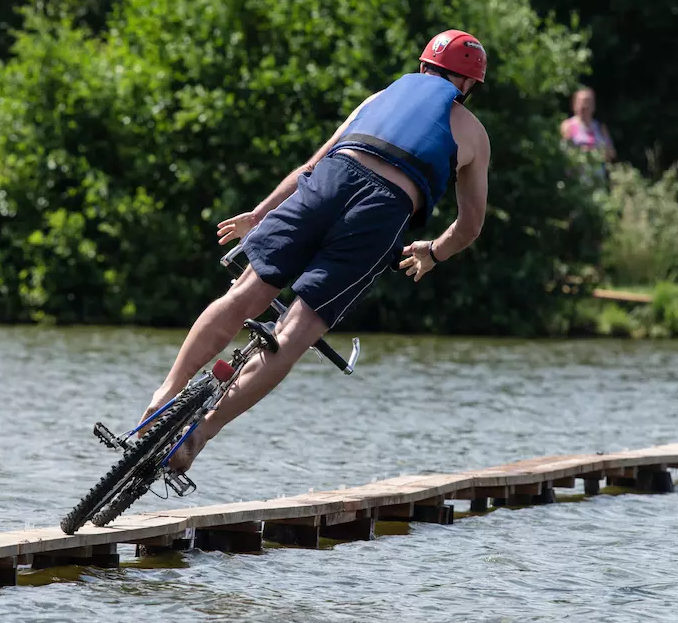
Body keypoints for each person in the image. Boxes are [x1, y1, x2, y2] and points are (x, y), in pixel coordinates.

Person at [139, 30, 492, 472]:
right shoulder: (474, 134)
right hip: (381, 211)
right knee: (295, 333)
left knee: (244, 294)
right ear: (469, 86)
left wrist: (259, 213)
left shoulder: (378, 98)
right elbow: (471, 224)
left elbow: (310, 165)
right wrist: (434, 252)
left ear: (423, 66)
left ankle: (164, 394)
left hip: (330, 180)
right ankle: (199, 435)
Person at [560, 87, 616, 163]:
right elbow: (563, 151)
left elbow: (611, 153)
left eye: (588, 101)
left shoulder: (600, 127)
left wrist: (599, 153)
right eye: (581, 102)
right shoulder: (567, 125)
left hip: (597, 173)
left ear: (594, 105)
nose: (585, 105)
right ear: (574, 105)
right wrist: (582, 151)